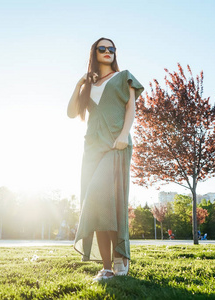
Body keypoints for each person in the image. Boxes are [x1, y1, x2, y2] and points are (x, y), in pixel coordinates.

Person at [67, 37, 144, 282]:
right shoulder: (89, 85)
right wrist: (81, 82)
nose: (108, 51)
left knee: (109, 203)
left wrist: (124, 135)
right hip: (92, 149)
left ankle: (121, 255)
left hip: (115, 145)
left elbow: (131, 108)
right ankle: (108, 267)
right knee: (95, 206)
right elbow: (71, 112)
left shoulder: (124, 77)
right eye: (103, 48)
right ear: (94, 53)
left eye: (112, 48)